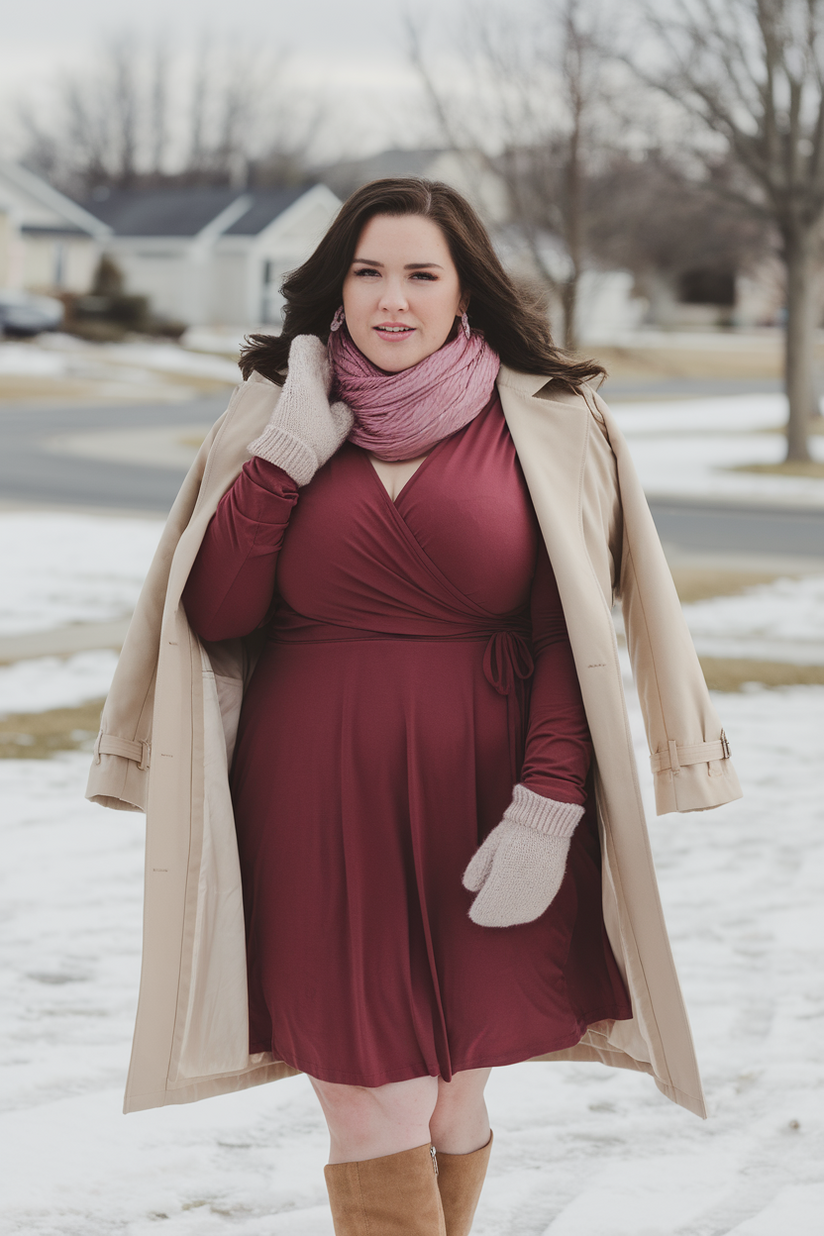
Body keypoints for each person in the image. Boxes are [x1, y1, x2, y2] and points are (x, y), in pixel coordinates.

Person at [87, 178, 741, 1236]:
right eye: (368, 272)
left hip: (491, 800)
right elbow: (212, 609)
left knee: (450, 1094)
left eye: (419, 274)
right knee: (369, 1099)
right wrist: (290, 452)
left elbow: (564, 639)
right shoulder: (270, 414)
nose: (392, 299)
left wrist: (549, 803)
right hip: (311, 804)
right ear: (335, 289)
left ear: (463, 291)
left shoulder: (547, 419)